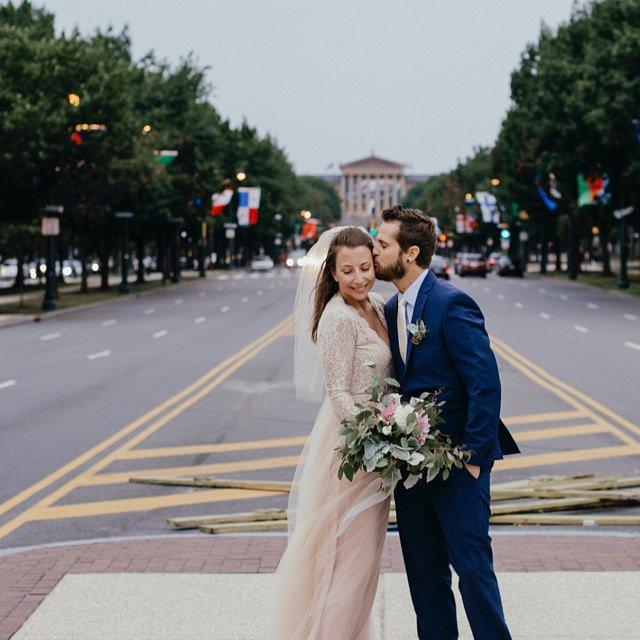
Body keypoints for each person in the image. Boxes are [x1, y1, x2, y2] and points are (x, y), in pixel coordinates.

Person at [373, 204, 519, 640]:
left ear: (410, 252)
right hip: (411, 473)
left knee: (473, 573)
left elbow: (484, 385)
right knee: (425, 577)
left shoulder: (452, 303)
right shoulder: (392, 306)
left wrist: (473, 459)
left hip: (458, 468)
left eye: (382, 244)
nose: (375, 250)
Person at [272, 226, 392, 639]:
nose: (359, 277)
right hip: (353, 451)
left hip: (380, 450)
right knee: (348, 559)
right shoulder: (338, 318)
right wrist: (374, 433)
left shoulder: (376, 304)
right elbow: (338, 391)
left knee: (367, 558)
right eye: (348, 271)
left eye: (365, 267)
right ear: (333, 274)